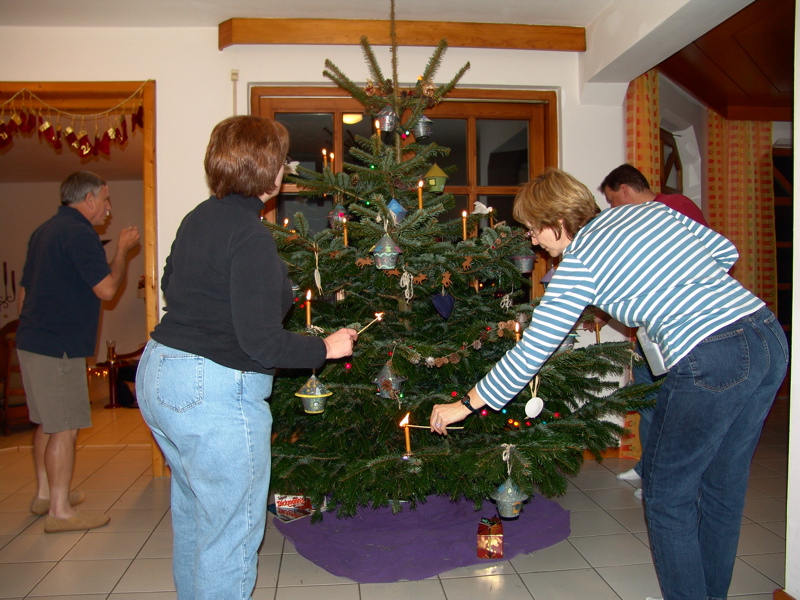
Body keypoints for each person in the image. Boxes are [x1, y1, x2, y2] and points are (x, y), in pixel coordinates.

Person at [429, 168, 787, 600]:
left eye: (534, 228)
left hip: (711, 355)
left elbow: (531, 352)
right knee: (722, 487)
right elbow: (725, 252)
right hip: (766, 335)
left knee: (667, 496)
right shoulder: (647, 211)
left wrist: (464, 405)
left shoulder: (578, 264)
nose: (533, 241)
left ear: (556, 220)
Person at [135, 115, 357, 600]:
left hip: (159, 372)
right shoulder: (250, 235)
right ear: (269, 168)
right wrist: (325, 347)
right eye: (283, 160)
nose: (286, 169)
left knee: (197, 517)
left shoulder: (199, 216)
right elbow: (262, 344)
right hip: (211, 392)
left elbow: (172, 283)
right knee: (231, 534)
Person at [16, 171, 140, 533]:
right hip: (59, 347)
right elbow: (107, 289)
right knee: (66, 427)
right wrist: (122, 250)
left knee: (47, 423)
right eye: (105, 198)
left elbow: (23, 295)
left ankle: (46, 496)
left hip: (32, 341)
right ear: (88, 199)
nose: (108, 207)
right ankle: (60, 512)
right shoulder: (80, 233)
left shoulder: (44, 231)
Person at [599, 163, 711, 495]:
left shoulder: (676, 207)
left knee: (672, 406)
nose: (613, 209)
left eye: (612, 201)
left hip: (677, 331)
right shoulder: (636, 221)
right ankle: (648, 466)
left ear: (624, 190)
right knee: (647, 399)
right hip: (648, 334)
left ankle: (664, 477)